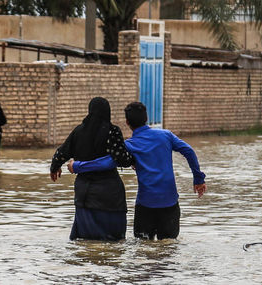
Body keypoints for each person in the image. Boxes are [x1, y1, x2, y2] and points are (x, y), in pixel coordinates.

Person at [73, 101, 206, 240]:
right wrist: (198, 179)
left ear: (127, 122)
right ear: (146, 118)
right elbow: (189, 151)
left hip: (145, 206)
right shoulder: (166, 136)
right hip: (170, 204)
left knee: (142, 249)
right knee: (169, 249)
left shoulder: (129, 144)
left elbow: (107, 162)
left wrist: (77, 166)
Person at [49, 97, 134, 241]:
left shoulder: (79, 131)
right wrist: (133, 159)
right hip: (109, 195)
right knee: (113, 243)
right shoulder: (112, 131)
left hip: (85, 195)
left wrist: (54, 167)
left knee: (85, 241)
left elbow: (61, 152)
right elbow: (122, 160)